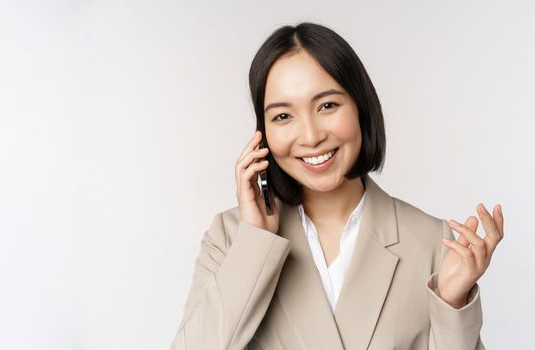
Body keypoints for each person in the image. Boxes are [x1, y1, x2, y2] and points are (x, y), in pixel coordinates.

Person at [169, 22, 503, 349]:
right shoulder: (230, 237)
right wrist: (256, 242)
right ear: (263, 133)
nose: (312, 136)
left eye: (327, 106)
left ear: (361, 107)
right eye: (283, 116)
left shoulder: (432, 241)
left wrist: (452, 304)